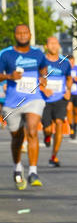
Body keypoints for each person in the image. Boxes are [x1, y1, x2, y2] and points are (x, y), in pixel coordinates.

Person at [0, 24, 48, 188]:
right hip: (12, 102)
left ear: (30, 34)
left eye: (25, 32)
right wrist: (9, 76)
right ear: (15, 35)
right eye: (19, 33)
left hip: (34, 98)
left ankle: (33, 172)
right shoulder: (7, 55)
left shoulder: (37, 53)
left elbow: (43, 68)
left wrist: (43, 78)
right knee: (17, 137)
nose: (22, 35)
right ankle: (17, 168)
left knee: (33, 130)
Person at [41, 35, 72, 167]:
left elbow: (69, 78)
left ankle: (54, 156)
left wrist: (68, 90)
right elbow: (37, 78)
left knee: (59, 123)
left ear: (59, 46)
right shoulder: (41, 62)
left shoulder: (65, 62)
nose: (54, 46)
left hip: (60, 99)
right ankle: (47, 136)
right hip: (44, 100)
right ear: (46, 46)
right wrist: (43, 89)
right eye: (51, 43)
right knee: (48, 129)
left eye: (56, 43)